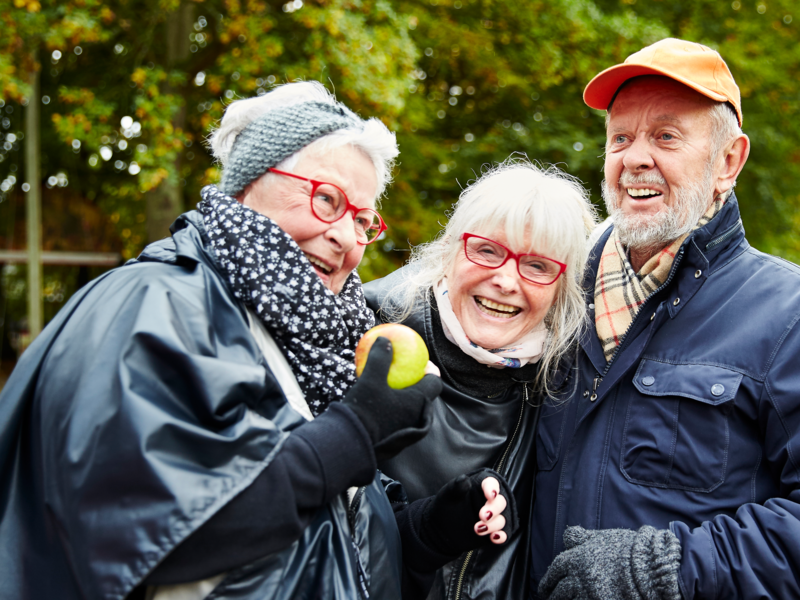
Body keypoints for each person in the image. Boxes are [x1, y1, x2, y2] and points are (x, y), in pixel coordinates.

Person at [0, 81, 516, 600]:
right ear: (248, 186)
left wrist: (426, 533)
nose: (344, 236)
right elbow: (144, 536)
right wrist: (354, 432)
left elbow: (322, 550)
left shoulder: (317, 343)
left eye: (362, 220)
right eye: (326, 199)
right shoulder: (153, 303)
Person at [532, 38, 800, 600]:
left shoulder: (787, 312)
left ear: (728, 162)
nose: (634, 158)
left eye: (666, 136)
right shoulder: (551, 289)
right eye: (621, 137)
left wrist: (670, 567)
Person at [364, 157, 598, 599]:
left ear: (561, 287)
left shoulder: (566, 383)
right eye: (487, 250)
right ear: (452, 249)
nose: (505, 280)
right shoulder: (367, 331)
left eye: (537, 266)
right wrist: (429, 529)